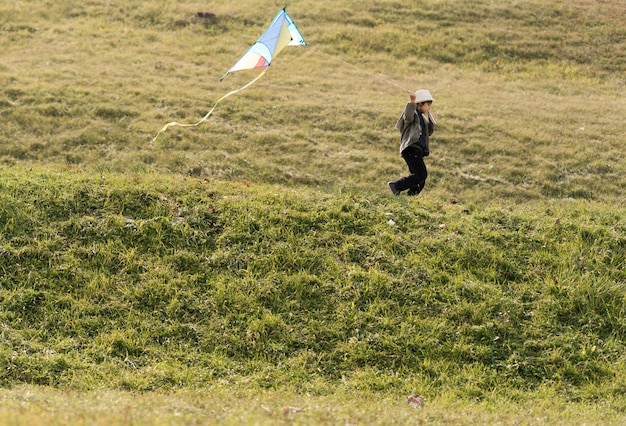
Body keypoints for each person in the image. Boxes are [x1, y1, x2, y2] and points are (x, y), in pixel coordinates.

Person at [388, 89, 436, 196]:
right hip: (411, 148)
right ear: (420, 104)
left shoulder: (423, 119)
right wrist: (412, 101)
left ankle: (410, 197)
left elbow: (429, 132)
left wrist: (431, 121)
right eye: (427, 105)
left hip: (417, 150)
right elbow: (408, 117)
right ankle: (396, 185)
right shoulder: (413, 114)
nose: (429, 108)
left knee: (420, 179)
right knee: (421, 174)